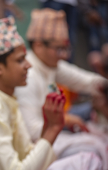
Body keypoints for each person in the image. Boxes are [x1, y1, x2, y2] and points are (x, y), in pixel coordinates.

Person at [15, 8, 108, 169]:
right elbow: (33, 132)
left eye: (66, 49)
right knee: (94, 147)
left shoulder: (50, 64)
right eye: (59, 49)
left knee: (99, 137)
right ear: (38, 45)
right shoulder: (28, 75)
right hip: (36, 145)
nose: (64, 55)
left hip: (53, 127)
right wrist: (65, 120)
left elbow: (85, 81)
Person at [0, 16, 66, 170]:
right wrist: (53, 129)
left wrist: (48, 126)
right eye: (20, 60)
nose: (28, 65)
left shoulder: (9, 99)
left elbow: (28, 155)